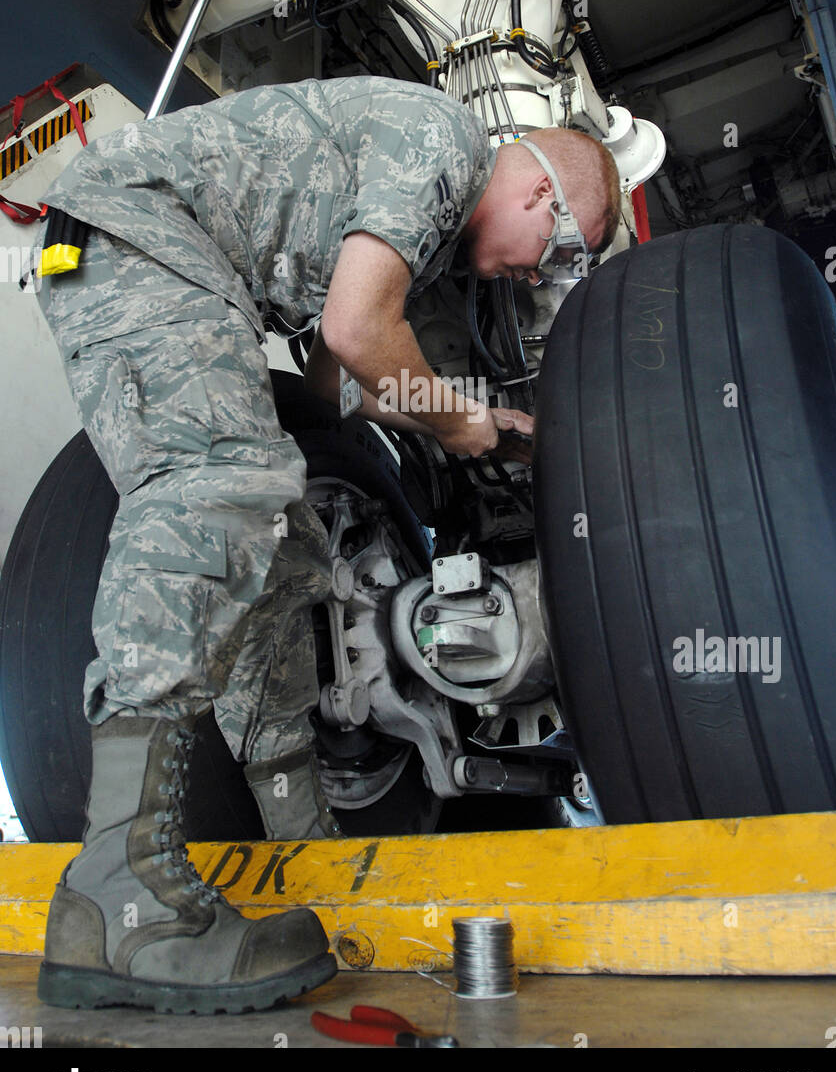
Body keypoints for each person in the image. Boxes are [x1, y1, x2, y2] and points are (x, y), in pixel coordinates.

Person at [32, 74, 620, 1013]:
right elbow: (357, 329)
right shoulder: (442, 145)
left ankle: (308, 847)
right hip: (137, 236)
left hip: (146, 250)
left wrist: (460, 420)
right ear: (539, 194)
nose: (526, 277)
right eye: (550, 257)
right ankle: (119, 891)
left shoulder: (413, 226)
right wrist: (459, 423)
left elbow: (339, 377)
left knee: (287, 546)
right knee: (220, 486)